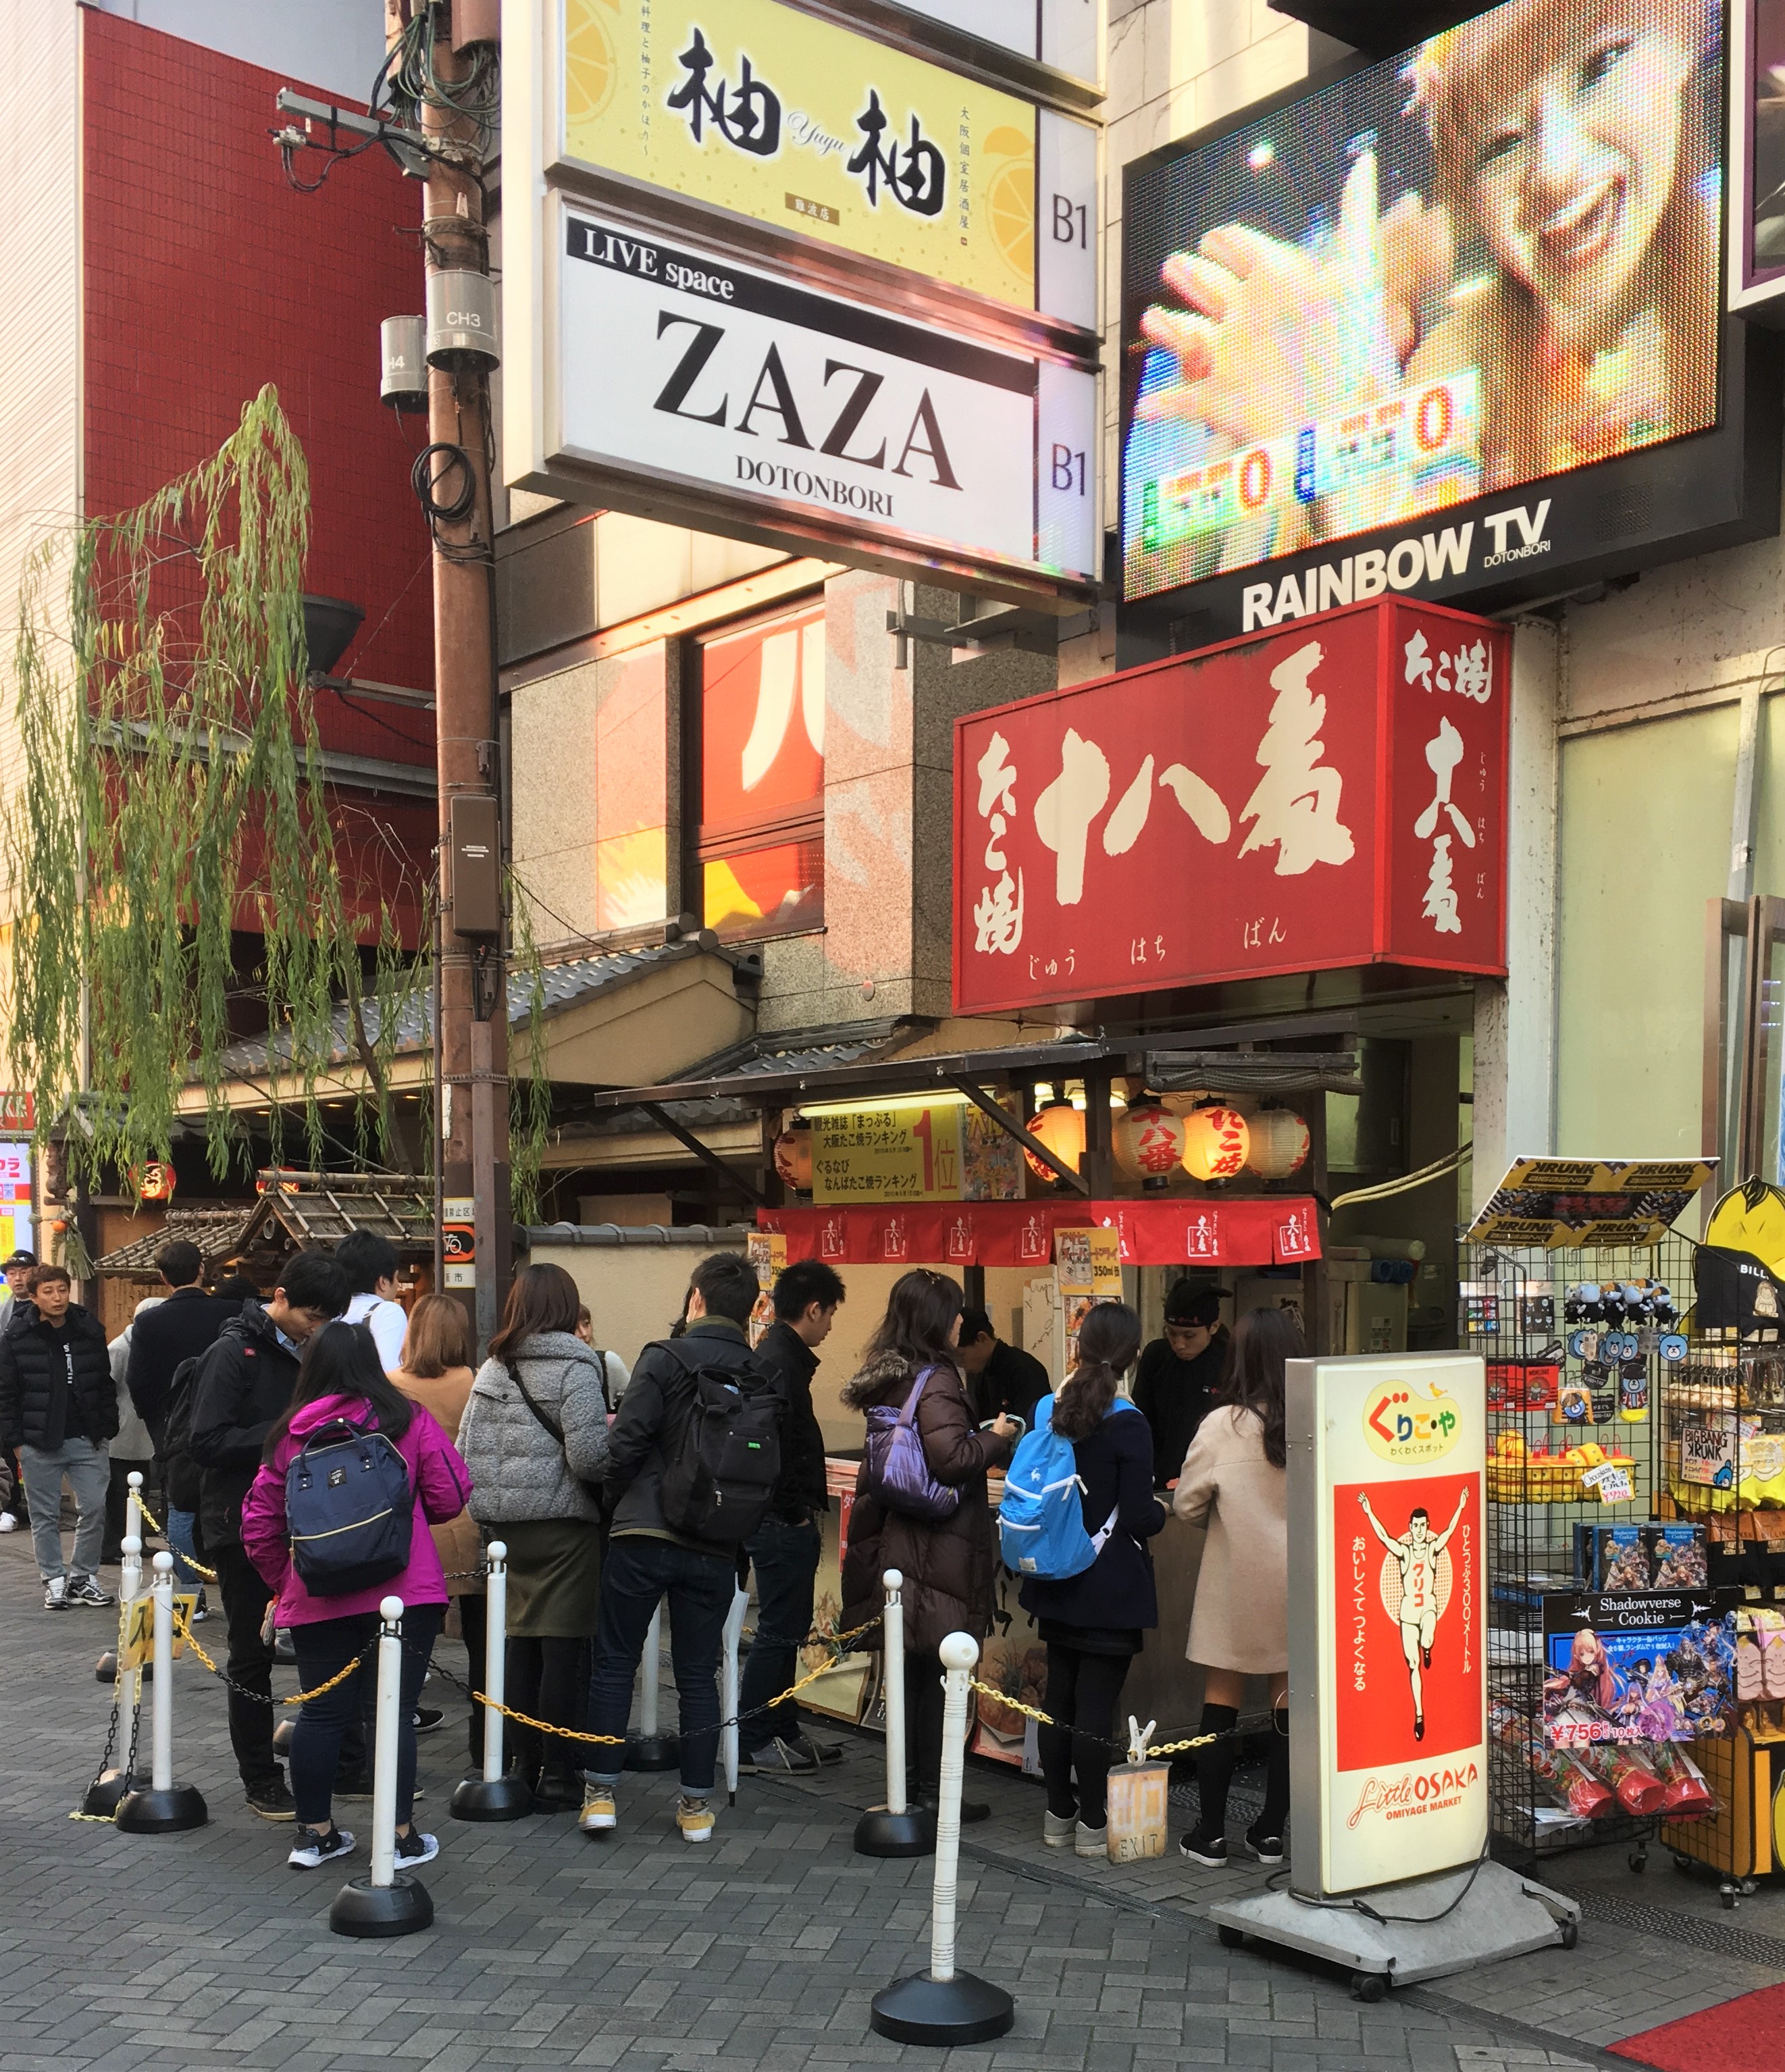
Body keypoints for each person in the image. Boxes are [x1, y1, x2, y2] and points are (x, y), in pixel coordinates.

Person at [241, 1320, 471, 1871]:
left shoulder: (288, 1436)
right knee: (392, 1713)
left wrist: (284, 1581)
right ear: (371, 1363)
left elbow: (258, 1525)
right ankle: (399, 1835)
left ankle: (314, 1835)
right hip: (404, 1593)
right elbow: (450, 1496)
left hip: (319, 1595)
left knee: (321, 1716)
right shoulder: (406, 1419)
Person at [581, 1251, 768, 1844]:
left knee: (614, 1660)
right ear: (754, 1309)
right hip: (715, 1542)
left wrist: (617, 1504)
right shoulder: (762, 1374)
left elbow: (626, 1442)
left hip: (642, 1530)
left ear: (695, 1300)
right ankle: (693, 1808)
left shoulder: (663, 1358)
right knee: (697, 1673)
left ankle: (601, 1796)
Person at [839, 1270, 1019, 1823]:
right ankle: (936, 1794)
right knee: (940, 1675)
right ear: (936, 1320)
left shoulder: (891, 1376)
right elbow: (953, 1460)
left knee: (916, 1672)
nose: (963, 1320)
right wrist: (999, 1435)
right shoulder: (937, 1379)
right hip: (934, 1547)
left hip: (900, 1543)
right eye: (956, 1311)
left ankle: (915, 1789)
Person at [187, 1247, 348, 1819]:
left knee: (324, 1642)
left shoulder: (314, 1353)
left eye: (327, 1321)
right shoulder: (234, 1352)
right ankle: (260, 1776)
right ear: (279, 1298)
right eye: (312, 1317)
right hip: (242, 1524)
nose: (317, 1330)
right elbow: (204, 1440)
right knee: (251, 1652)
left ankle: (340, 1761)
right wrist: (287, 1434)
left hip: (309, 1521)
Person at [459, 1262, 610, 1807]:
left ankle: (522, 1766)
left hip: (503, 1529)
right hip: (563, 1529)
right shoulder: (578, 1368)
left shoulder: (493, 1369)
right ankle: (560, 1773)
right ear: (568, 1308)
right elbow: (590, 1458)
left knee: (518, 1647)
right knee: (563, 1652)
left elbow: (464, 1452)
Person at [1018, 1301, 1167, 1856]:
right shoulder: (1129, 1423)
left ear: (1077, 1347)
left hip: (1055, 1575)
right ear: (1131, 1357)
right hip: (1108, 1585)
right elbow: (1136, 1515)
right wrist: (1161, 1512)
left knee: (1060, 1699)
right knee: (1096, 1707)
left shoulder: (1047, 1409)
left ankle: (1057, 1817)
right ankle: (1092, 1826)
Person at [1172, 1306, 1297, 1868]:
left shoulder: (1222, 1424)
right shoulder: (1319, 1421)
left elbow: (1187, 1503)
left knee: (1219, 1703)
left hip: (1235, 1579)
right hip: (1301, 1585)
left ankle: (1211, 1833)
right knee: (1287, 1706)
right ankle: (1270, 1832)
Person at [738, 1258, 846, 1776]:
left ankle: (781, 1726)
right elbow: (768, 1447)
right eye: (829, 1315)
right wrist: (793, 1513)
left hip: (783, 1515)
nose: (830, 1326)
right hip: (781, 1519)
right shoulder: (780, 1361)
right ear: (812, 1308)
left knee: (788, 1624)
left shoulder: (778, 1356)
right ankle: (757, 1733)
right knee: (779, 1628)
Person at [390, 1294, 486, 1764]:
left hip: (413, 1523)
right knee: (481, 1640)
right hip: (464, 1516)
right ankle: (485, 1738)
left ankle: (399, 1719)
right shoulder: (472, 1380)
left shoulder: (391, 1386)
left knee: (407, 1636)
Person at [0, 1264, 118, 1609]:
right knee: (44, 1514)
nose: (57, 1297)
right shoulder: (17, 1336)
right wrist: (17, 1442)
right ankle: (54, 1578)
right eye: (48, 1291)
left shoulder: (88, 1329)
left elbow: (104, 1381)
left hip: (87, 1435)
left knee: (95, 1507)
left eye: (62, 1290)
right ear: (34, 1297)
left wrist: (108, 1424)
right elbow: (5, 1393)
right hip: (38, 1439)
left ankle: (83, 1577)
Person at [1359, 1486, 1470, 1742]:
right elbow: (1384, 1538)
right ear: (1410, 1528)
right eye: (1415, 1526)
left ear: (1427, 1525)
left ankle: (1428, 1646)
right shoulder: (1404, 1552)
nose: (1419, 1530)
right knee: (1413, 1664)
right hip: (1407, 1612)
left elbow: (1450, 1532)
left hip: (1428, 1607)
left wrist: (1461, 1506)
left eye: (1423, 1525)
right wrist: (1369, 1512)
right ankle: (1419, 1715)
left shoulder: (1432, 1549)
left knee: (1427, 1639)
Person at [124, 1239, 232, 1442]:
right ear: (201, 1269)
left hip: (170, 1421)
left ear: (163, 1278)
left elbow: (137, 1378)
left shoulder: (148, 1321)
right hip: (225, 1417)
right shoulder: (231, 1311)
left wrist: (153, 1417)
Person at [1131, 1283, 1228, 1491]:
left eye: (1189, 1335)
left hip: (1213, 1481)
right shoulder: (1156, 1357)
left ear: (1214, 1327)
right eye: (1172, 1333)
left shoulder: (1230, 1362)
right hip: (1159, 1479)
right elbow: (1140, 1420)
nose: (1179, 1343)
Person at [104, 1297, 163, 1565]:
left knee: (140, 1489)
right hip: (122, 1432)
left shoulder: (152, 1348)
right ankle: (112, 1545)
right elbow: (107, 1387)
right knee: (118, 1493)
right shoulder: (119, 1348)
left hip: (143, 1433)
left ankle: (137, 1539)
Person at [956, 1306, 1050, 1428]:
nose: (959, 1363)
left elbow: (1033, 1429)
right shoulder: (982, 1371)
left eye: (961, 1355)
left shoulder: (1025, 1370)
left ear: (982, 1338)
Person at [334, 1229, 410, 1371]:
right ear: (383, 1282)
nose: (398, 1284)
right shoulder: (388, 1312)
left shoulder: (331, 1311)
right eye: (396, 1277)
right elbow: (390, 1373)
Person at [0, 1247, 36, 1530]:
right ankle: (9, 1505)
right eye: (12, 1274)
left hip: (38, 1393)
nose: (18, 1279)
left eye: (23, 1272)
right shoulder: (4, 1310)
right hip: (8, 1394)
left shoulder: (43, 1307)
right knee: (7, 1449)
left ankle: (38, 1506)